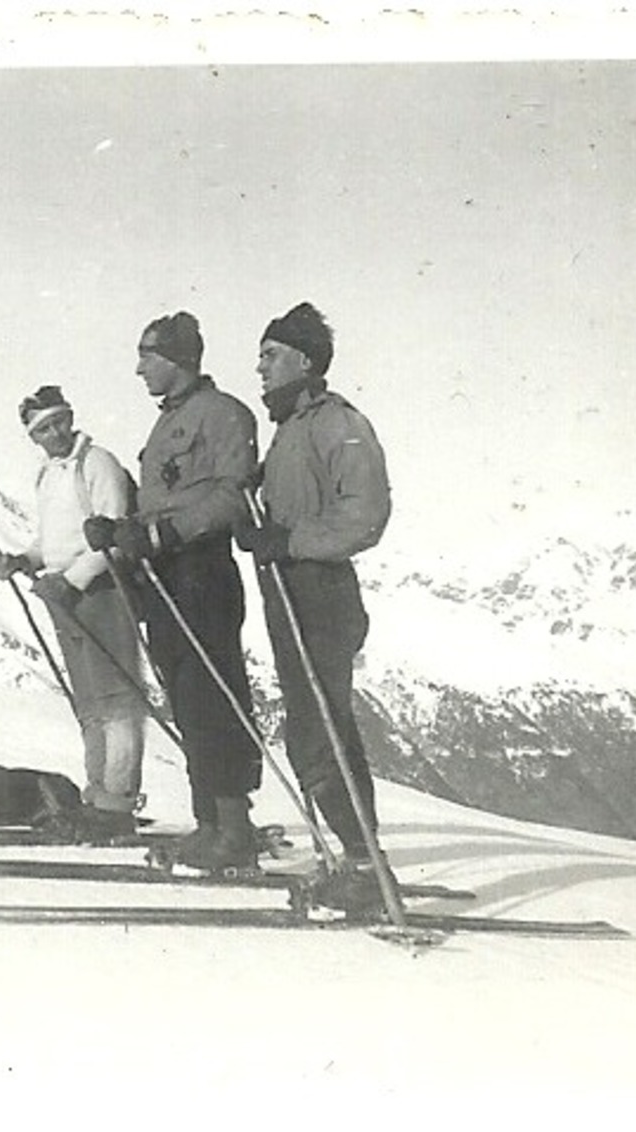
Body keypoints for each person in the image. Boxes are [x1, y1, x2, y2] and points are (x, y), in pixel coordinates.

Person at [83, 312, 262, 870]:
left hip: (201, 570)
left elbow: (234, 496)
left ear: (180, 360)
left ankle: (234, 828)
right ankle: (209, 823)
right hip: (163, 574)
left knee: (212, 695)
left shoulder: (224, 415)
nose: (139, 369)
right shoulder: (168, 424)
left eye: (149, 356)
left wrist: (162, 531)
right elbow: (162, 499)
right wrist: (120, 530)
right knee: (186, 698)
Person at [234, 300, 391, 871]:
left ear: (304, 360)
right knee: (316, 726)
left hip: (321, 593)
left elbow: (366, 516)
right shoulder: (292, 431)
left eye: (271, 356)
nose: (261, 368)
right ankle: (359, 856)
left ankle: (364, 862)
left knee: (319, 729)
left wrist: (288, 540)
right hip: (291, 591)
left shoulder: (338, 424)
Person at [0, 385, 148, 840]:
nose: (55, 432)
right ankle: (96, 798)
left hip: (102, 589)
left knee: (116, 701)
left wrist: (70, 579)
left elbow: (113, 533)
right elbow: (53, 541)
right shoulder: (47, 475)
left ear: (71, 418)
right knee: (91, 704)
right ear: (34, 437)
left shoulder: (95, 463)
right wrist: (25, 561)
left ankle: (117, 804)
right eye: (44, 428)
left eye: (60, 422)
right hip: (65, 596)